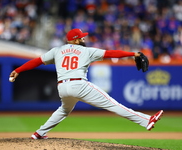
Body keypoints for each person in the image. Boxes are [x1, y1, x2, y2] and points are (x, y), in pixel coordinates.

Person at [9, 28, 163, 139]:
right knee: (113, 104)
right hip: (79, 85)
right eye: (81, 37)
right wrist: (133, 54)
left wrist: (19, 70)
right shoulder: (87, 51)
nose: (84, 39)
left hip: (62, 87)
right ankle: (146, 120)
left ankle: (39, 133)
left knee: (63, 110)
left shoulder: (57, 50)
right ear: (75, 40)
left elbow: (37, 61)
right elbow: (110, 53)